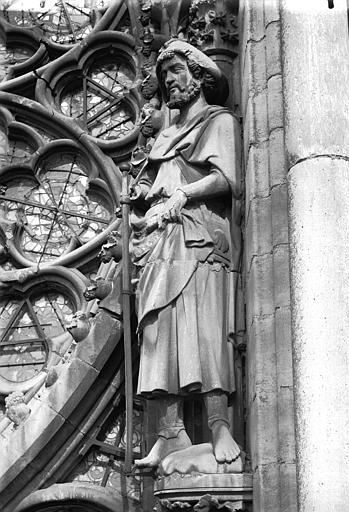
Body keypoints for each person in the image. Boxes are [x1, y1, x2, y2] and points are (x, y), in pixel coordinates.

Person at [130, 39, 242, 468]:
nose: (169, 82)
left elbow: (226, 177)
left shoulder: (219, 122)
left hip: (200, 240)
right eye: (164, 76)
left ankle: (219, 427)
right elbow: (165, 180)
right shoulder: (166, 135)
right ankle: (170, 433)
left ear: (198, 75)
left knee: (206, 330)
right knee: (158, 328)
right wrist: (150, 192)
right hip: (162, 241)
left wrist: (182, 194)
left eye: (176, 71)